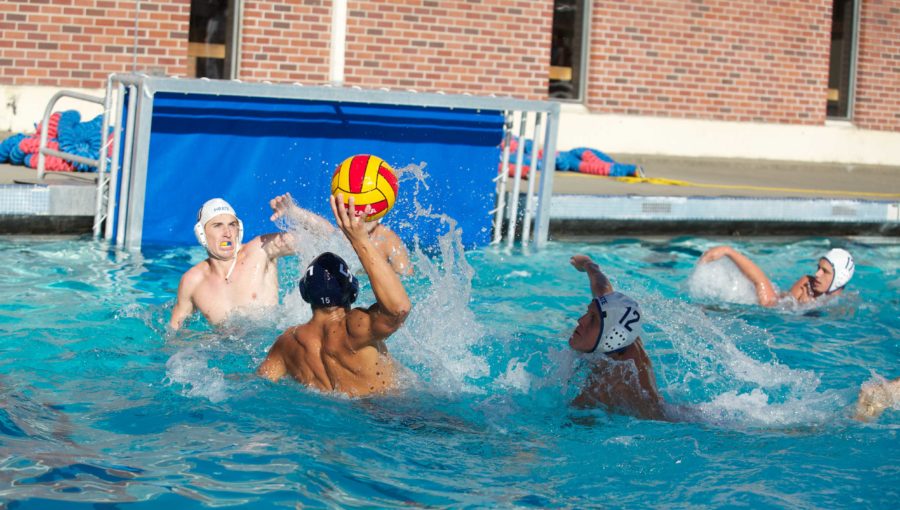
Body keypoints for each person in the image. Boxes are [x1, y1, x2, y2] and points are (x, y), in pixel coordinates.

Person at [257, 194, 412, 397]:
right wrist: (360, 240)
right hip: (398, 415)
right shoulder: (355, 327)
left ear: (304, 293)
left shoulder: (287, 344)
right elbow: (399, 309)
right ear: (353, 292)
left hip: (345, 421)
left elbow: (259, 383)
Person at [169, 197, 299, 330]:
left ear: (239, 229)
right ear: (201, 234)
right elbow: (174, 337)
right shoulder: (192, 282)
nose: (227, 233)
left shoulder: (261, 250)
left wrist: (295, 213)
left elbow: (318, 239)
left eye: (232, 224)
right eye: (218, 225)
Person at [567, 254, 666, 420]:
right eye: (588, 312)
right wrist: (588, 264)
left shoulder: (613, 381)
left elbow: (567, 422)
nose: (580, 320)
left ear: (610, 337)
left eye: (592, 320)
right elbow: (601, 285)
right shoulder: (617, 332)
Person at [270, 192, 413, 276]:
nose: (363, 216)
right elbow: (322, 228)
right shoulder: (346, 233)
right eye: (358, 210)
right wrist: (292, 211)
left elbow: (408, 280)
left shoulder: (387, 240)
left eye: (369, 213)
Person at [697, 246, 855, 307]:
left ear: (839, 278)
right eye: (818, 268)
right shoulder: (807, 284)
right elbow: (773, 303)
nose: (817, 274)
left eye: (825, 271)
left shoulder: (844, 305)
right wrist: (801, 307)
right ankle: (728, 251)